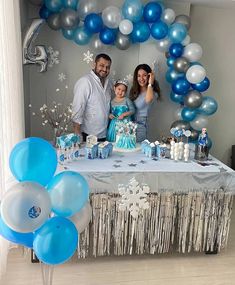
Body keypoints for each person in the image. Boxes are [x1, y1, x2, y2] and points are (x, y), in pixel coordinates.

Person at [72, 53, 113, 142]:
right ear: (94, 65)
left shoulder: (109, 84)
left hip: (104, 135)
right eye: (101, 66)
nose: (105, 69)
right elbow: (78, 108)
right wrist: (77, 133)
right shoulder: (85, 82)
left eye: (108, 67)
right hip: (88, 135)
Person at [129, 64, 161, 142]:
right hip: (132, 123)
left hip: (143, 125)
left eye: (144, 75)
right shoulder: (134, 91)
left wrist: (150, 83)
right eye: (139, 76)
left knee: (140, 149)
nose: (141, 78)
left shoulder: (152, 92)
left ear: (149, 76)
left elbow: (148, 99)